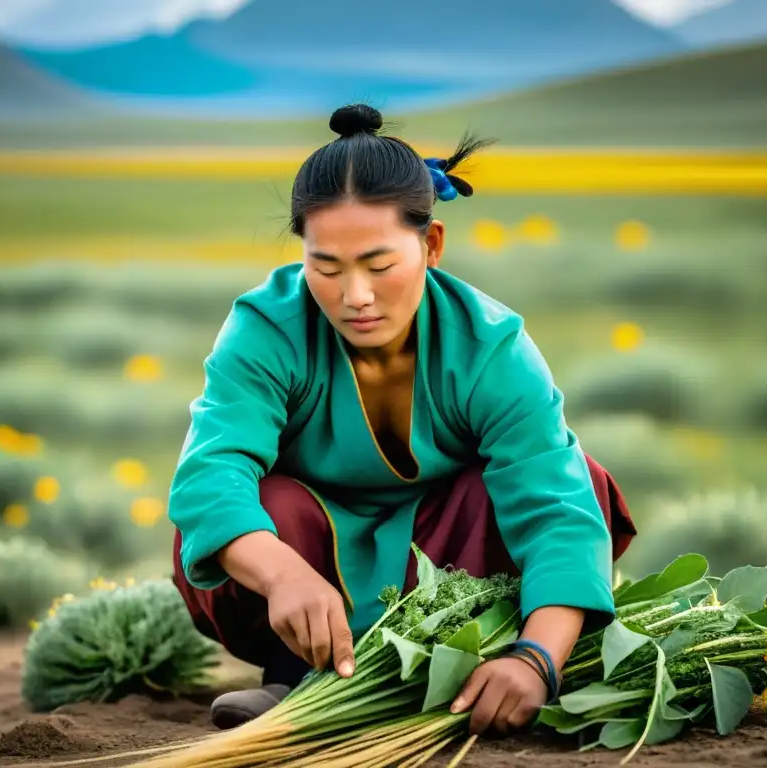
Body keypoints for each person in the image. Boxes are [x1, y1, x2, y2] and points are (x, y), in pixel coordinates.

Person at [169, 103, 637, 738]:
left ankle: (466, 663)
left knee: (580, 479)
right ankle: (290, 680)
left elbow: (557, 509)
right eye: (325, 267)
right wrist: (281, 574)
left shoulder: (491, 347)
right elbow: (209, 475)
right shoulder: (264, 329)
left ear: (431, 245)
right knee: (265, 500)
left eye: (379, 265)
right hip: (301, 552)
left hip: (443, 561)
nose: (353, 296)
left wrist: (538, 662)